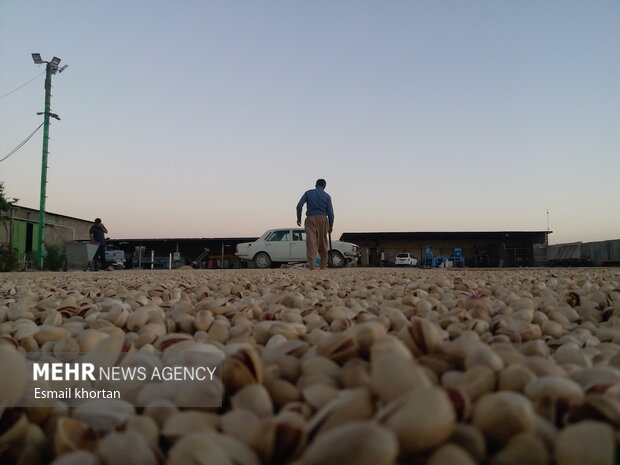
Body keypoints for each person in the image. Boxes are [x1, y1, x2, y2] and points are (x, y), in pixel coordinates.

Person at [296, 179, 334, 270]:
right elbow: (331, 213)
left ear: (315, 185)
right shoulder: (327, 196)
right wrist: (331, 225)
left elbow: (299, 205)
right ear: (324, 186)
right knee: (323, 242)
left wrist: (299, 218)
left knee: (311, 242)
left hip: (310, 218)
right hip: (323, 219)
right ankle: (323, 265)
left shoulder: (308, 193)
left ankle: (312, 264)